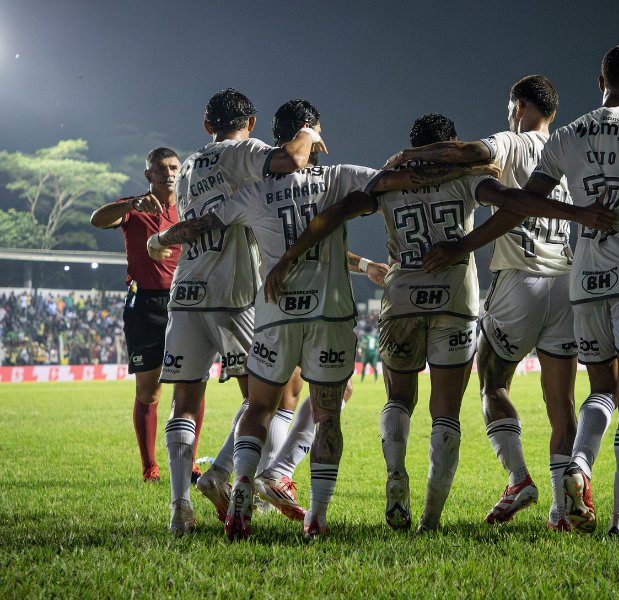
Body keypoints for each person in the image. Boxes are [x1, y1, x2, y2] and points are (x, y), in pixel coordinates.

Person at [422, 45, 619, 537]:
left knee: (552, 384)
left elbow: (518, 202)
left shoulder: (563, 137)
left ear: (600, 81)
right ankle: (599, 511)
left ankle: (544, 476)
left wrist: (463, 241)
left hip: (579, 279)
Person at [265, 113, 613, 533]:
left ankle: (396, 473)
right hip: (455, 302)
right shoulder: (466, 178)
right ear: (449, 144)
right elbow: (518, 203)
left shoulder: (389, 180)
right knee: (446, 413)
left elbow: (335, 213)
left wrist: (289, 256)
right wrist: (578, 213)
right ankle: (430, 519)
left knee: (398, 398)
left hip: (401, 300)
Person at [151, 100, 483, 539]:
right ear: (309, 134)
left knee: (259, 406)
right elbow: (397, 181)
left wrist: (162, 238)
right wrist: (457, 168)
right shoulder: (338, 177)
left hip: (271, 315)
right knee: (328, 413)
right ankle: (316, 519)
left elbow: (203, 225)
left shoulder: (252, 193)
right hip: (328, 316)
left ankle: (240, 486)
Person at [383, 75, 579, 529]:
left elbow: (471, 153)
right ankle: (563, 505)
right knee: (562, 401)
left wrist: (409, 159)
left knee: (492, 381)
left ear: (520, 105)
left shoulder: (508, 142)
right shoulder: (566, 151)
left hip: (515, 278)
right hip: (564, 280)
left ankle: (517, 477)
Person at [154, 88, 328, 534]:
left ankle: (179, 508)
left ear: (206, 125)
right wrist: (309, 132)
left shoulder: (188, 166)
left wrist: (160, 240)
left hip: (185, 289)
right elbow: (291, 160)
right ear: (249, 124)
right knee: (269, 396)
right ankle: (223, 473)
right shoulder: (243, 151)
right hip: (232, 292)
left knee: (184, 404)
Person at [89, 147, 204, 483]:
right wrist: (131, 205)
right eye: (161, 168)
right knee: (148, 391)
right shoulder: (133, 208)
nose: (169, 173)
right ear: (148, 174)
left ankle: (189, 463)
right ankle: (150, 467)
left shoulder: (191, 208)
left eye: (174, 167)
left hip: (185, 304)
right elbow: (97, 219)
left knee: (191, 388)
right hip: (145, 307)